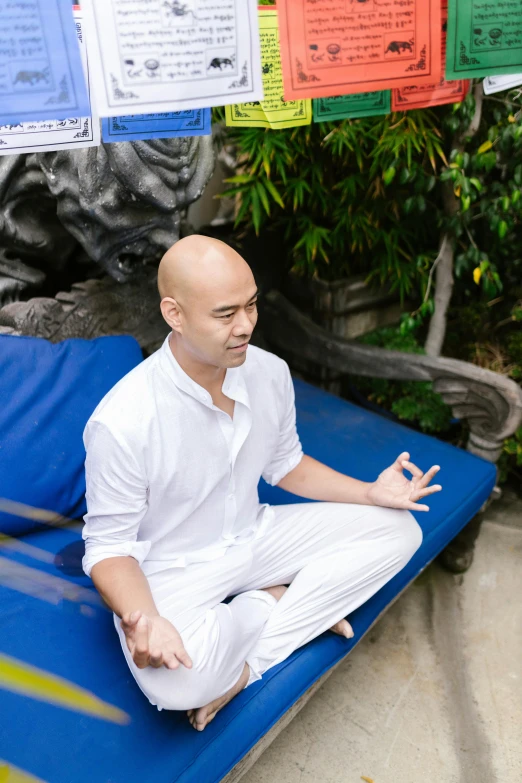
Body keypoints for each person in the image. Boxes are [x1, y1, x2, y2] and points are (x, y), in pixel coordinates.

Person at [81, 235, 442, 732]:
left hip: (256, 536)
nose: (246, 325)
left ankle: (249, 667)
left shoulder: (270, 373)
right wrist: (146, 620)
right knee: (176, 684)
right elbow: (108, 549)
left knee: (400, 531)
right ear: (174, 313)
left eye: (251, 306)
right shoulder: (122, 420)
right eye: (226, 314)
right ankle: (275, 600)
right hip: (174, 570)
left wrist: (369, 493)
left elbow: (285, 465)